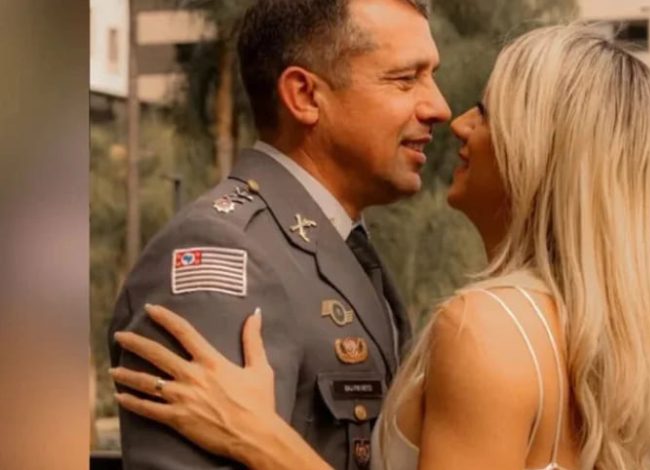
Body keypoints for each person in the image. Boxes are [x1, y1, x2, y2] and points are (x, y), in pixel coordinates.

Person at [110, 24, 650, 470]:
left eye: (488, 111)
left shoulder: (488, 325)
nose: (454, 119)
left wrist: (263, 441)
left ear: (540, 150)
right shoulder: (586, 328)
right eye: (405, 80)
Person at [107, 0, 450, 468]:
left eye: (430, 77)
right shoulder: (223, 251)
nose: (439, 107)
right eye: (405, 79)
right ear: (304, 96)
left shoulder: (339, 244)